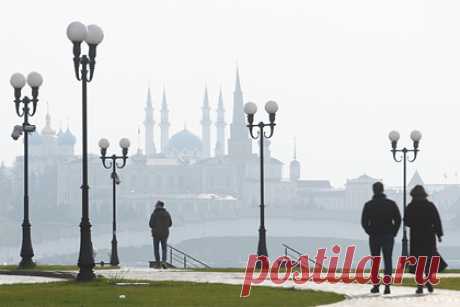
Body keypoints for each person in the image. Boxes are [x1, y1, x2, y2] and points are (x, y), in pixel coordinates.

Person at [361, 182, 401, 295]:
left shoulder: (369, 205)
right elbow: (398, 219)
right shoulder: (391, 204)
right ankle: (387, 286)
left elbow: (364, 222)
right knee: (388, 260)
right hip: (388, 235)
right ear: (383, 190)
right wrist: (394, 232)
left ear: (373, 190)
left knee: (375, 261)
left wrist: (370, 231)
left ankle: (375, 285)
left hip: (374, 236)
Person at [405, 185, 444, 295]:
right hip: (429, 236)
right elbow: (436, 220)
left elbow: (407, 221)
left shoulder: (410, 206)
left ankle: (420, 286)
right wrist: (439, 234)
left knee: (418, 262)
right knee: (429, 261)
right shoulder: (430, 205)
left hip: (416, 237)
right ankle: (429, 282)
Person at [149, 201, 172, 269]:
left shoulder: (154, 214)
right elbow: (170, 224)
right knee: (164, 248)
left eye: (156, 204)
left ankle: (158, 264)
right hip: (165, 233)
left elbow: (151, 224)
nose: (155, 205)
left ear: (158, 205)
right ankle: (164, 262)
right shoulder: (167, 214)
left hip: (156, 234)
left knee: (156, 249)